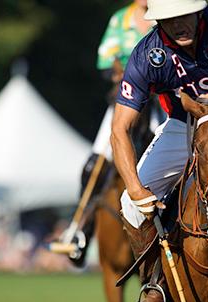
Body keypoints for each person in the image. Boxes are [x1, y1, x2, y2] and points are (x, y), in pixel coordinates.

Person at [110, 0, 208, 302]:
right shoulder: (147, 54)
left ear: (198, 11)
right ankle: (156, 288)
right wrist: (135, 188)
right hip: (184, 124)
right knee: (130, 204)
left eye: (184, 15)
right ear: (157, 21)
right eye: (169, 19)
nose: (179, 25)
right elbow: (120, 129)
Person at [58, 0, 158, 268]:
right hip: (126, 100)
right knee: (94, 165)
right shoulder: (119, 21)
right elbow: (104, 61)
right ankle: (79, 230)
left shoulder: (166, 15)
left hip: (159, 99)